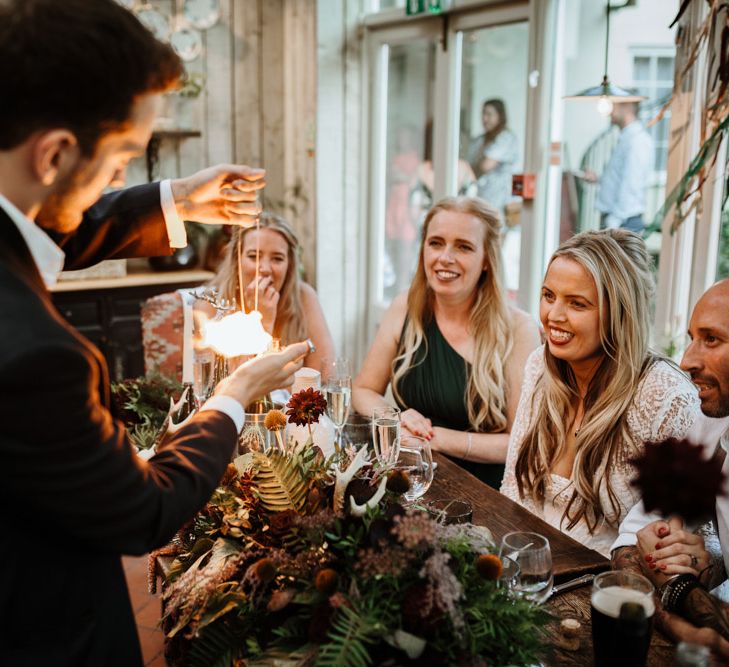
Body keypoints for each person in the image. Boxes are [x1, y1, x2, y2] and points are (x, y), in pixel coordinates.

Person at [0, 2, 308, 665]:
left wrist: (176, 198)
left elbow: (43, 219)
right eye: (116, 165)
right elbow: (143, 511)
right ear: (53, 151)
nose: (116, 182)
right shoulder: (36, 355)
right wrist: (232, 395)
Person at [500, 229, 700, 556]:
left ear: (618, 313)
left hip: (614, 584)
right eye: (549, 295)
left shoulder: (663, 395)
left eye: (577, 304)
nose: (554, 315)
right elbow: (513, 489)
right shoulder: (540, 364)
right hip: (529, 561)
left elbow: (701, 536)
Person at [353, 196, 540, 489]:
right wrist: (395, 417)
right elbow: (363, 390)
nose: (445, 258)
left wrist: (433, 438)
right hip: (408, 479)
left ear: (487, 260)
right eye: (436, 243)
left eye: (463, 247)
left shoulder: (519, 329)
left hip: (485, 494)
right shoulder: (407, 306)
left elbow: (522, 440)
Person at [611, 279, 729, 657]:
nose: (687, 361)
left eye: (712, 340)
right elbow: (632, 539)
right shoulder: (713, 420)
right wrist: (671, 620)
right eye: (693, 337)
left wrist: (678, 586)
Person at [205, 213, 335, 373]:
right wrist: (260, 321)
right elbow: (227, 389)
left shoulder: (304, 297)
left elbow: (325, 376)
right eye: (253, 256)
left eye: (277, 258)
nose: (265, 269)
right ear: (236, 260)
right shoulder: (210, 304)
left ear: (290, 265)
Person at [583, 100, 654, 233]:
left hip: (623, 222)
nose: (609, 111)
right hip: (617, 220)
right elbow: (620, 177)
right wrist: (599, 179)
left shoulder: (637, 141)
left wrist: (613, 222)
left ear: (626, 107)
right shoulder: (626, 138)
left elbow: (632, 184)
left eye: (612, 105)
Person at [466, 98, 519, 215]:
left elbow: (486, 165)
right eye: (483, 113)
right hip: (483, 200)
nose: (485, 119)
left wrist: (469, 172)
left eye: (489, 114)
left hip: (503, 204)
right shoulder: (479, 140)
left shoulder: (506, 138)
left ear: (500, 116)